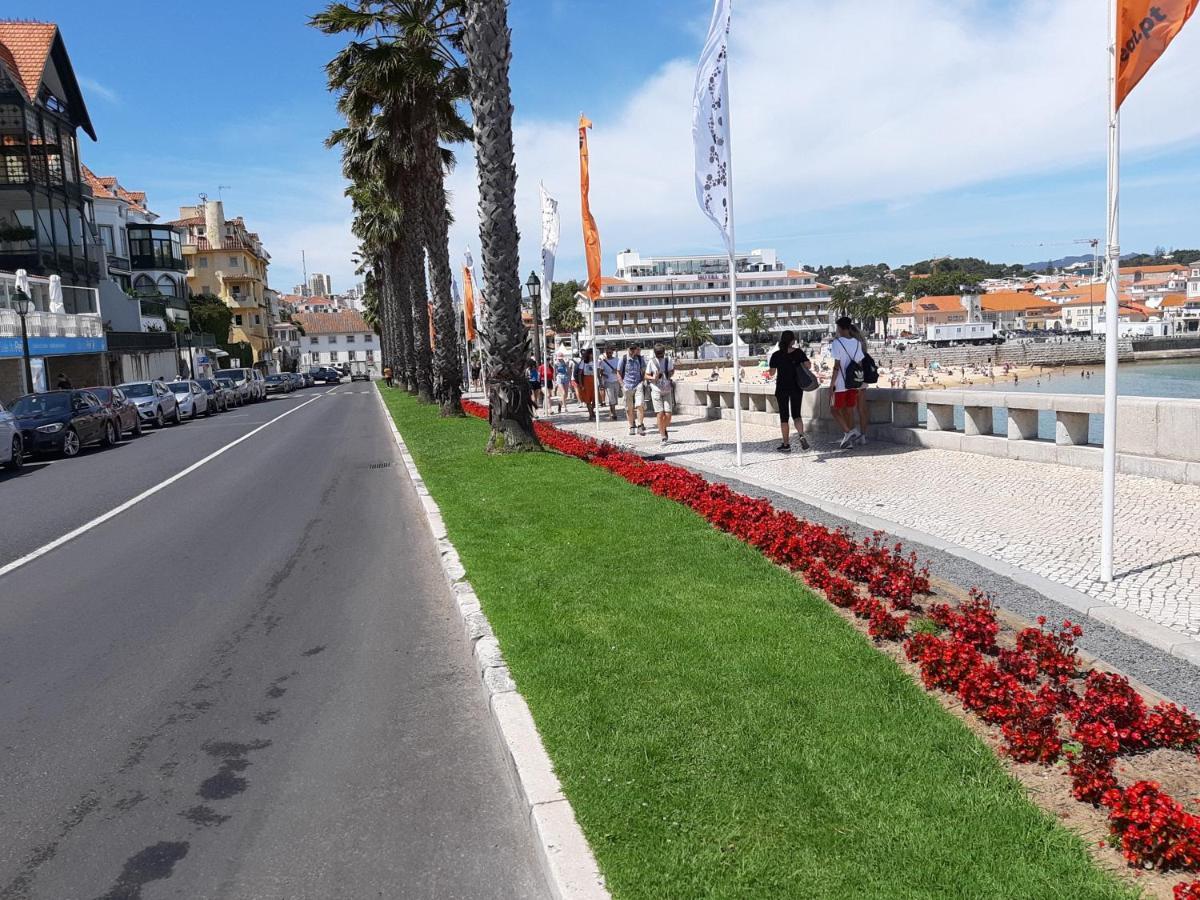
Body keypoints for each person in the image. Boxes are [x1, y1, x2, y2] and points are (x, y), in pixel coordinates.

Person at [767, 330, 811, 452]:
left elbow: (772, 373)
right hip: (796, 387)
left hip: (782, 388)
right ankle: (801, 435)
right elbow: (808, 365)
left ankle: (786, 445)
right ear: (792, 340)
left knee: (784, 417)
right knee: (797, 415)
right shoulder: (798, 352)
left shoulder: (776, 355)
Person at [829, 317, 865, 449]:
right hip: (854, 382)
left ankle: (848, 432)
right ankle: (849, 440)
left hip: (840, 383)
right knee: (849, 410)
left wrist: (832, 383)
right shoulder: (857, 342)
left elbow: (836, 366)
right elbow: (860, 363)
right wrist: (859, 382)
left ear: (839, 328)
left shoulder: (837, 343)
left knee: (834, 409)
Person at [645, 342, 675, 444]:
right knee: (660, 413)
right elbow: (646, 375)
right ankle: (662, 435)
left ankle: (663, 427)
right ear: (655, 353)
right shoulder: (651, 362)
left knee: (668, 414)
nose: (660, 356)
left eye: (661, 354)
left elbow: (672, 371)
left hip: (666, 389)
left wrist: (668, 373)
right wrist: (654, 377)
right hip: (656, 389)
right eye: (658, 354)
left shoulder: (668, 360)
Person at [848, 323, 871, 444]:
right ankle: (863, 435)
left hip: (853, 379)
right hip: (862, 378)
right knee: (862, 409)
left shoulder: (852, 344)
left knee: (850, 408)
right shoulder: (862, 344)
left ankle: (852, 434)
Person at [619, 344, 647, 436]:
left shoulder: (640, 359)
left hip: (638, 384)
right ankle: (631, 426)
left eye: (634, 348)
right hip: (627, 385)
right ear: (628, 349)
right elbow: (618, 373)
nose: (632, 350)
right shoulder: (623, 359)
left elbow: (644, 371)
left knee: (640, 405)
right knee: (629, 408)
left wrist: (642, 382)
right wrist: (623, 385)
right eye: (631, 348)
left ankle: (639, 425)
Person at [598, 346, 621, 421]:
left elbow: (621, 370)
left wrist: (617, 371)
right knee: (611, 398)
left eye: (610, 352)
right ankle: (614, 413)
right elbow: (600, 373)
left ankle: (611, 411)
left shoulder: (617, 360)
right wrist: (605, 375)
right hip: (608, 382)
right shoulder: (603, 362)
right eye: (607, 353)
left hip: (616, 381)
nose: (609, 354)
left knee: (615, 399)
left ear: (612, 352)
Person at [574, 349, 597, 420]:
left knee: (595, 399)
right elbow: (580, 373)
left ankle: (592, 411)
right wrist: (581, 384)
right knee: (587, 398)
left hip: (594, 380)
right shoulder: (583, 362)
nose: (592, 355)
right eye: (591, 354)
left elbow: (598, 372)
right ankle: (591, 414)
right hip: (586, 380)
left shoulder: (595, 362)